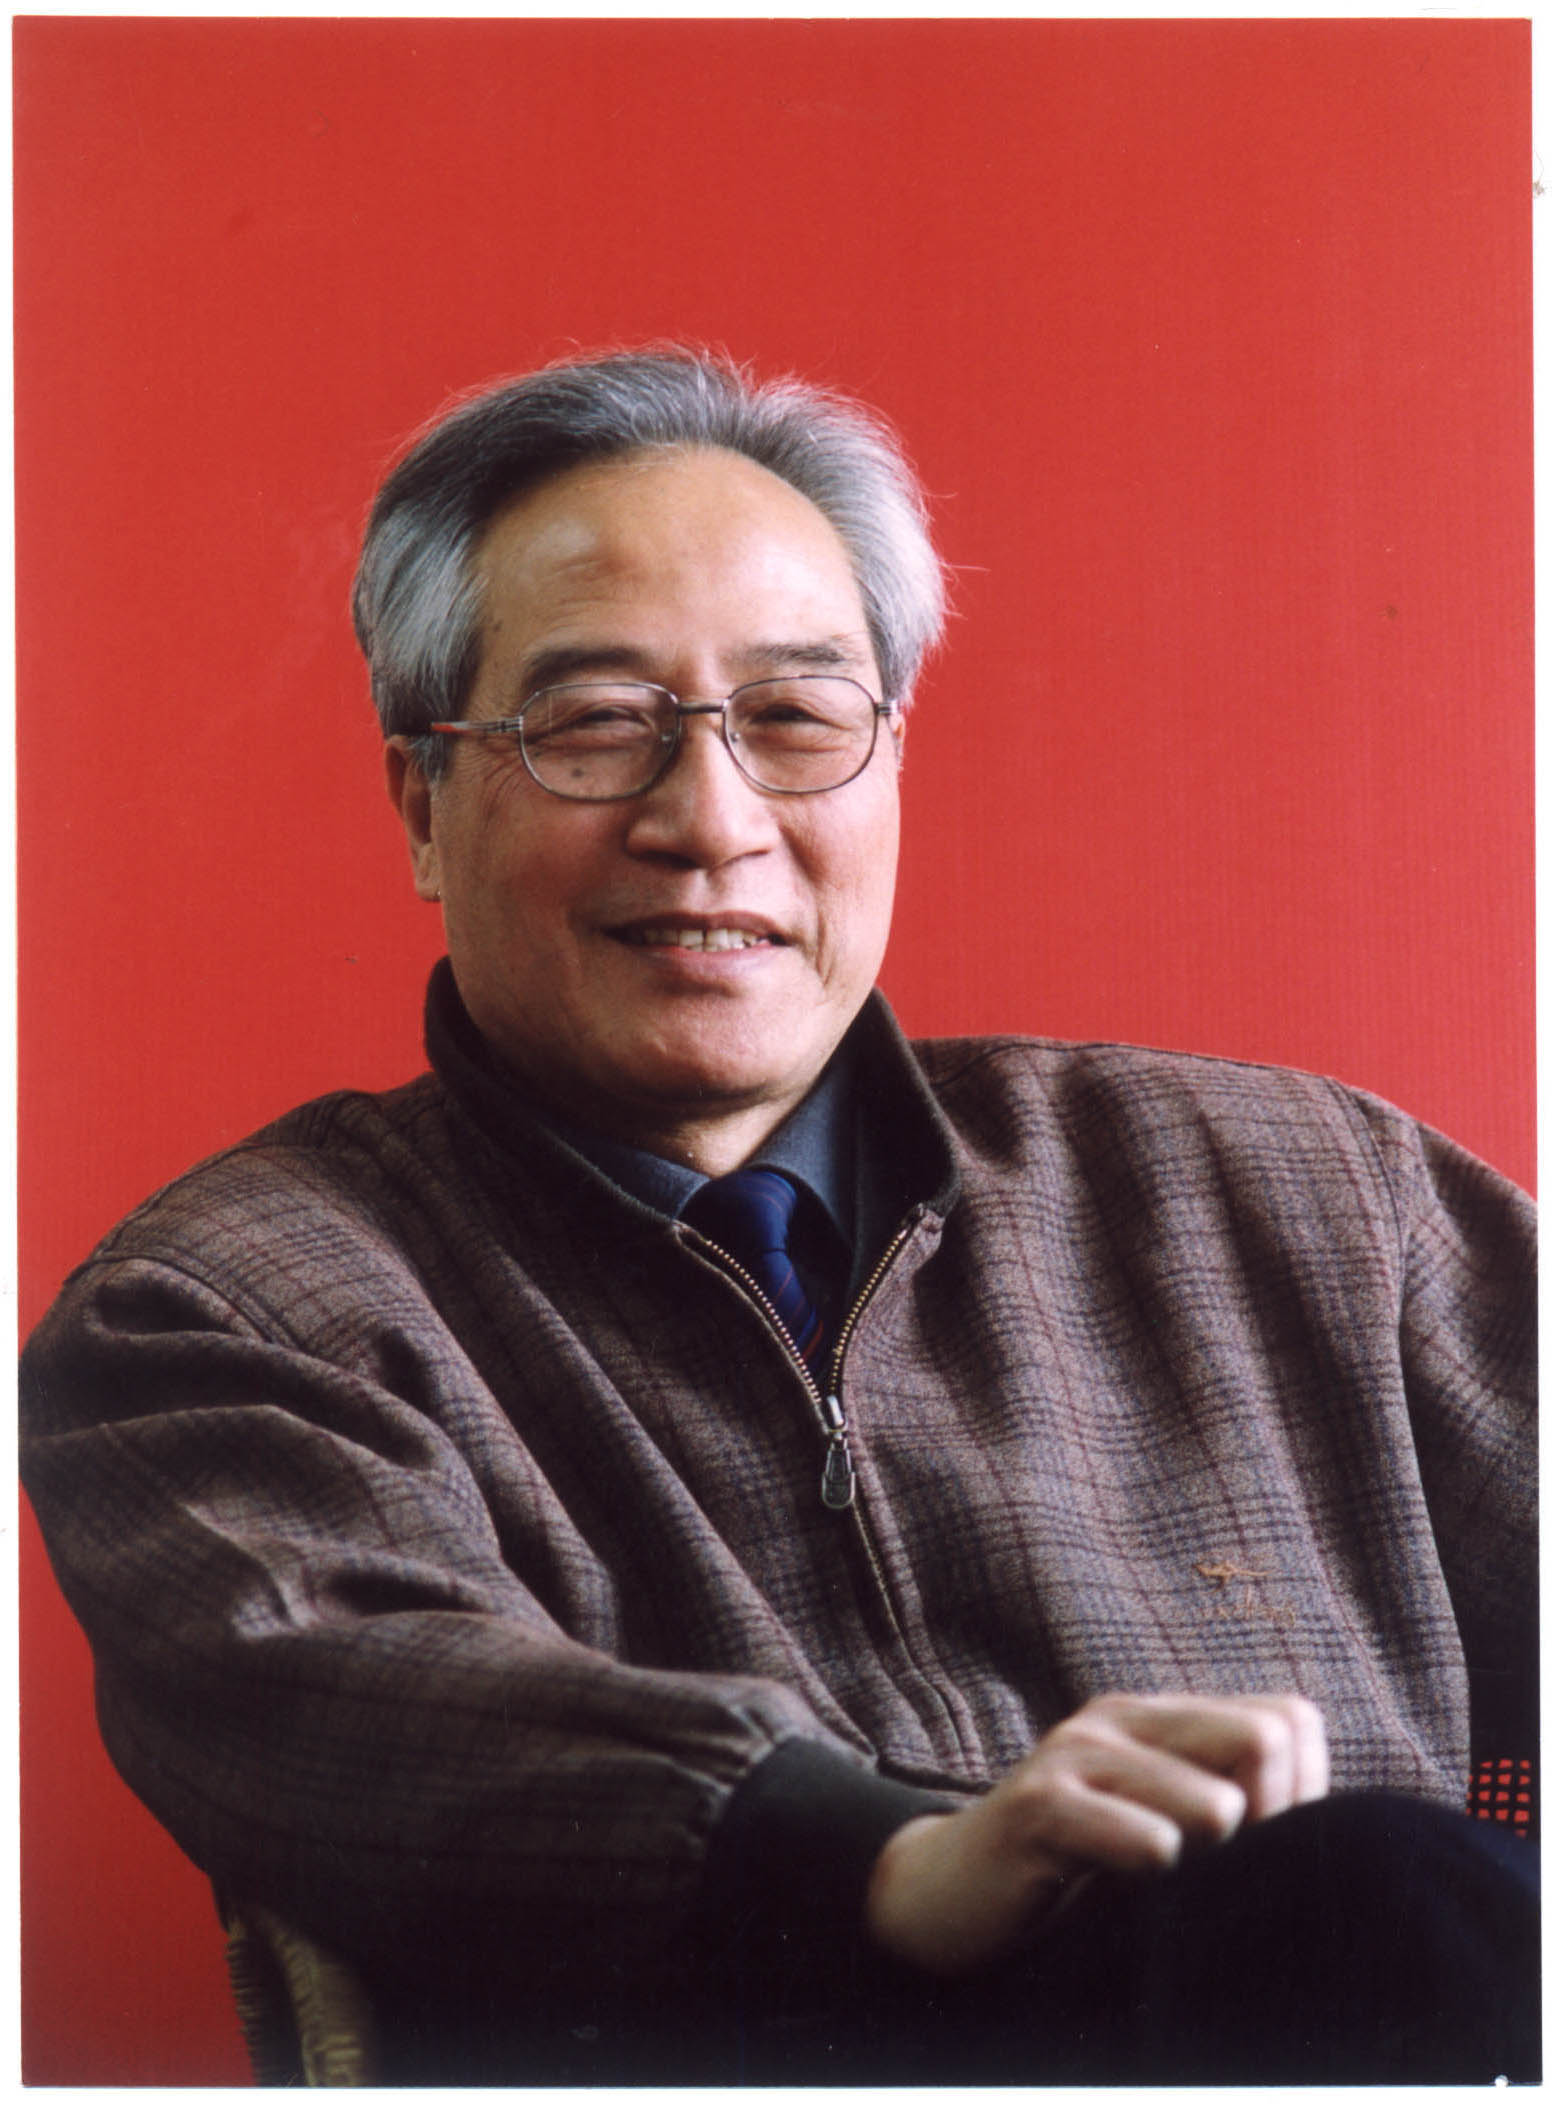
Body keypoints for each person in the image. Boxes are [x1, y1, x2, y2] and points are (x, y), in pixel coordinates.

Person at [21, 348, 1537, 2085]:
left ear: (890, 764)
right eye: (596, 725)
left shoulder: (1298, 1192)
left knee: (1382, 1900)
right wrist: (883, 1862)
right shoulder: (221, 1313)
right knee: (1373, 1891)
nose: (711, 822)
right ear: (423, 801)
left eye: (797, 721)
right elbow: (355, 1705)